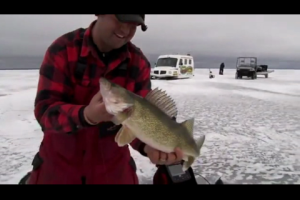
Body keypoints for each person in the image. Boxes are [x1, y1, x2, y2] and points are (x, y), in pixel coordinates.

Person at [25, 14, 183, 184]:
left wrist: (149, 146)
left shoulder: (138, 63)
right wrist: (86, 115)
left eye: (133, 25)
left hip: (114, 173)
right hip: (58, 171)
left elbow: (140, 120)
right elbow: (45, 113)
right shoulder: (63, 50)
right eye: (120, 19)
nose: (125, 29)